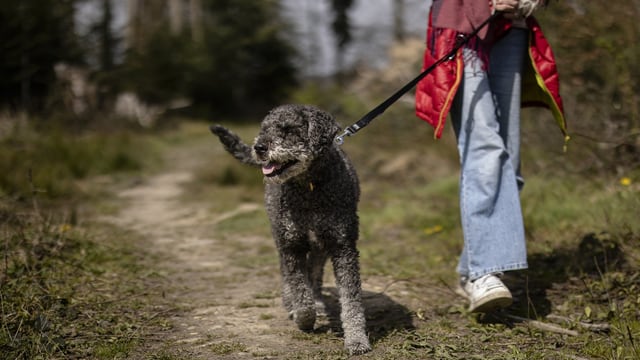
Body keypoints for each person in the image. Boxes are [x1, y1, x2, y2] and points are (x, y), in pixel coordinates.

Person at [415, 0, 569, 313]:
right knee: (484, 147)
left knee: (509, 161)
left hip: (513, 28)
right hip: (461, 24)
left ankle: (472, 267)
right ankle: (485, 273)